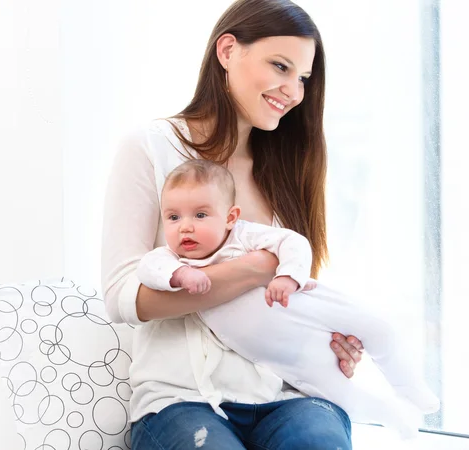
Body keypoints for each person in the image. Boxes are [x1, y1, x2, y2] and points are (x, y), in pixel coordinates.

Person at [102, 0, 370, 448]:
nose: (293, 90)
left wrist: (332, 341)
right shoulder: (151, 147)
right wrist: (253, 268)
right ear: (227, 51)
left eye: (302, 78)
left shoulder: (288, 169)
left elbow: (287, 298)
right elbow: (123, 297)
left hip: (287, 393)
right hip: (179, 400)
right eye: (280, 67)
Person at [137, 159, 439, 437]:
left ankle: (408, 384)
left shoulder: (244, 236)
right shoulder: (173, 260)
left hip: (304, 306)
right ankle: (390, 415)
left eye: (200, 215)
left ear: (230, 218)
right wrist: (180, 277)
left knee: (375, 327)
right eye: (173, 217)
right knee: (336, 391)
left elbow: (292, 242)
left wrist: (288, 276)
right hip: (282, 356)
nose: (185, 226)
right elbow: (149, 270)